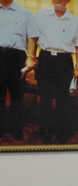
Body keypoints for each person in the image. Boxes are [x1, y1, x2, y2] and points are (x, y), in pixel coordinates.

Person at [34, 0, 78, 143]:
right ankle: (45, 133)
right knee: (45, 99)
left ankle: (61, 133)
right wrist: (32, 57)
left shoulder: (75, 21)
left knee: (63, 100)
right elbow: (33, 38)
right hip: (45, 59)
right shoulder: (40, 15)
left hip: (65, 61)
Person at [0, 0, 38, 141]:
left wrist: (30, 57)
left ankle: (16, 129)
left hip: (16, 57)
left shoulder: (25, 13)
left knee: (17, 95)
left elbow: (32, 38)